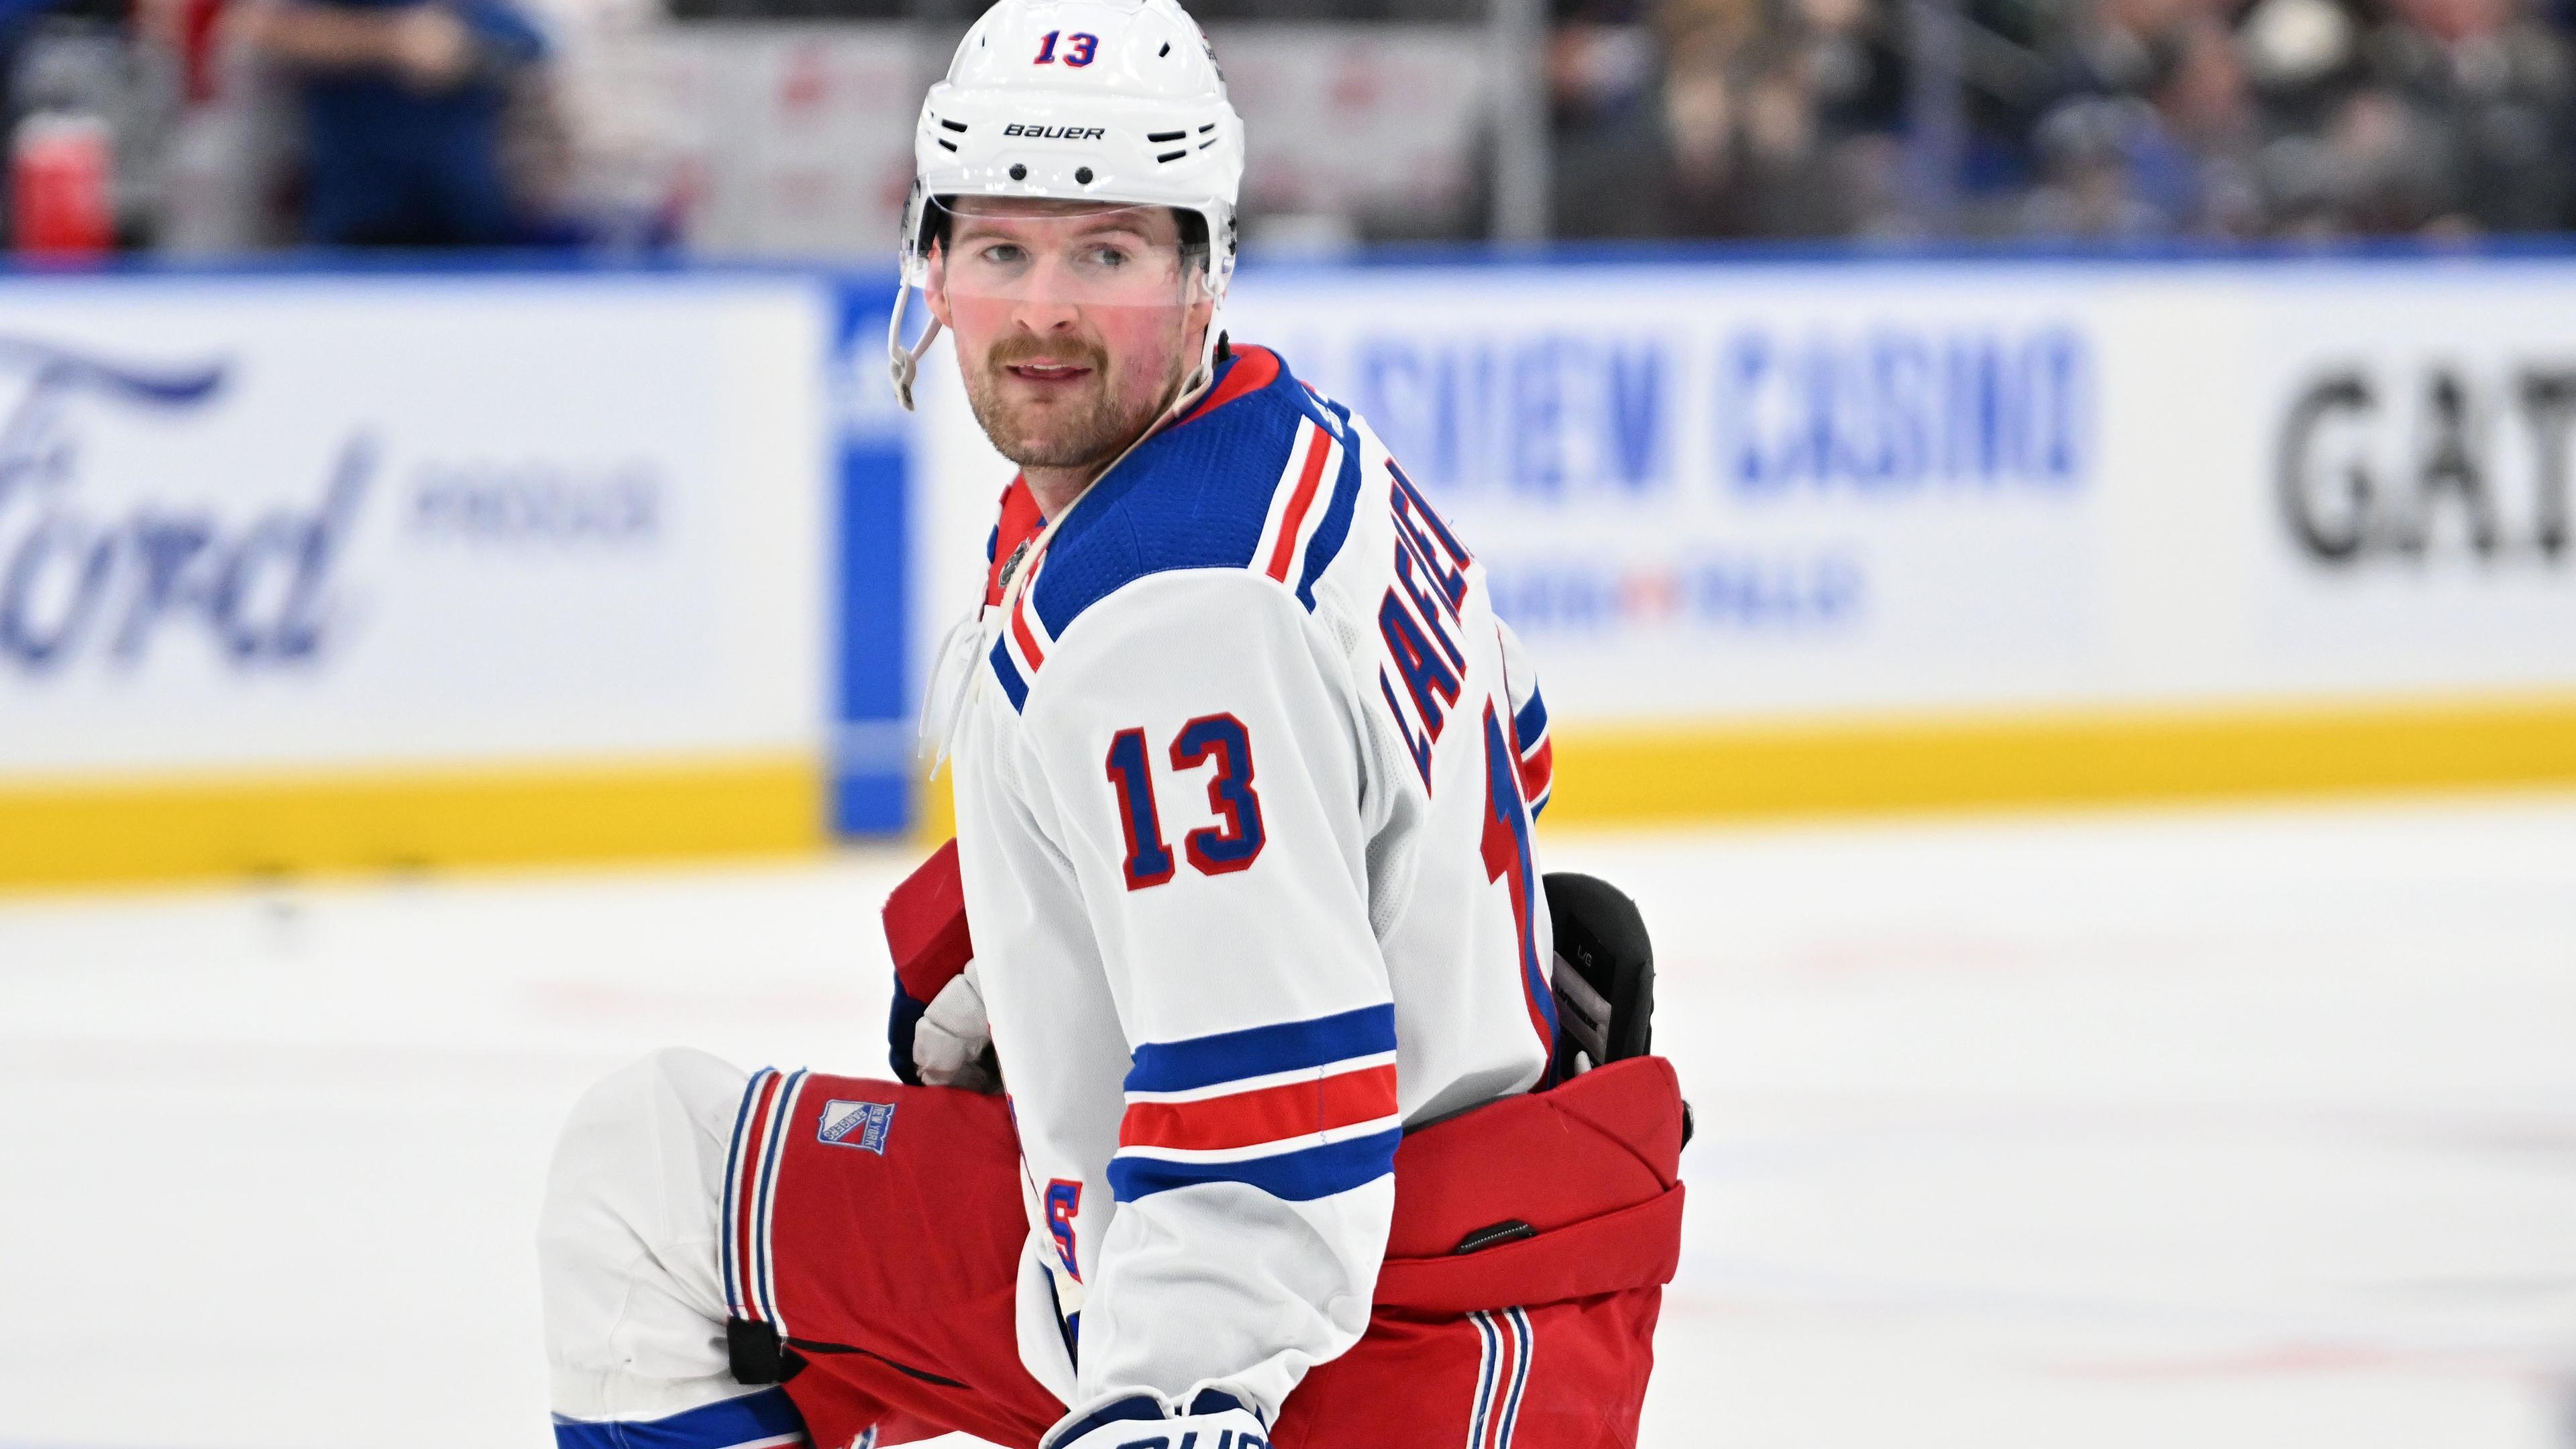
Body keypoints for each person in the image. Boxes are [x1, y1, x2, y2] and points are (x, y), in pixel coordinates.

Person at [535, 2, 1687, 1446]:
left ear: (1205, 269)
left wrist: (1173, 1402)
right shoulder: (1282, 439)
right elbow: (1507, 738)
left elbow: (1274, 1099)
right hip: (1485, 1264)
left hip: (1370, 1346)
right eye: (1001, 250)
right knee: (676, 1171)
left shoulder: (1173, 609)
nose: (1044, 313)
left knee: (648, 1184)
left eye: (1109, 253)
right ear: (932, 267)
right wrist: (1041, 948)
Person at [229, 0, 544, 244]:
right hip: (362, 212)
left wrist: (465, 51)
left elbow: (528, 47)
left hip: (465, 210)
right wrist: (392, 42)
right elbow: (265, 30)